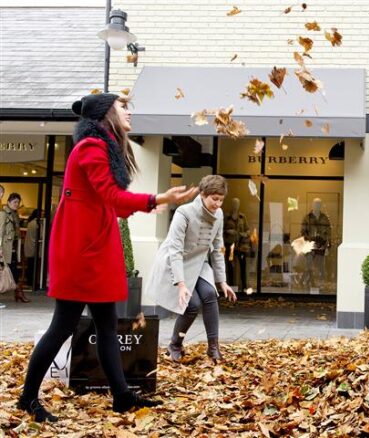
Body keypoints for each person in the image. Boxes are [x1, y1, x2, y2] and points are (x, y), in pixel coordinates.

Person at [17, 92, 197, 423]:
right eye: (122, 107)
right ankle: (27, 398)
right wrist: (158, 197)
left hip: (92, 246)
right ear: (105, 114)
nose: (129, 112)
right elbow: (111, 195)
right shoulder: (91, 147)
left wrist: (152, 200)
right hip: (81, 250)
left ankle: (122, 396)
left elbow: (111, 203)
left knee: (107, 326)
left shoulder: (103, 145)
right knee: (62, 327)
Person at [150, 175, 237, 363]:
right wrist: (181, 284)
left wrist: (222, 281)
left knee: (210, 295)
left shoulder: (219, 215)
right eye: (214, 199)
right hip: (176, 262)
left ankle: (213, 348)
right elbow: (175, 251)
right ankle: (175, 344)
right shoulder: (184, 213)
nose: (218, 204)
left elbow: (218, 248)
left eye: (221, 200)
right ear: (203, 194)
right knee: (192, 304)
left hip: (198, 263)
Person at [0, 192, 30, 302]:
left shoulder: (15, 214)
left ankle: (18, 292)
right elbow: (0, 232)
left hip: (13, 248)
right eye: (14, 202)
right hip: (5, 248)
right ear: (8, 202)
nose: (16, 204)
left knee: (14, 270)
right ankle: (18, 292)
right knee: (8, 271)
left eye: (18, 202)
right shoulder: (4, 214)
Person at [223, 197, 250, 292]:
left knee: (243, 265)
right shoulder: (227, 217)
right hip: (230, 244)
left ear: (239, 205)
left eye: (237, 204)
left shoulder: (242, 217)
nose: (235, 205)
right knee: (230, 265)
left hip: (240, 245)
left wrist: (244, 234)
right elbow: (220, 230)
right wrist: (227, 231)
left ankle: (244, 286)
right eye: (234, 203)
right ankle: (230, 285)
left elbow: (248, 230)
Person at [24, 208, 42, 290]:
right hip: (34, 248)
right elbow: (41, 236)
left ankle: (29, 282)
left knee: (30, 265)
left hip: (29, 247)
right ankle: (33, 282)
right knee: (33, 266)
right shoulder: (37, 224)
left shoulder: (30, 222)